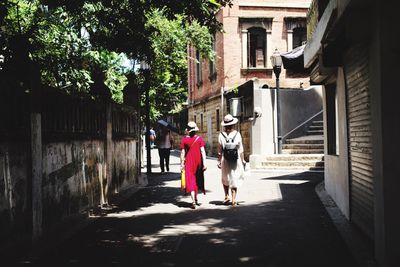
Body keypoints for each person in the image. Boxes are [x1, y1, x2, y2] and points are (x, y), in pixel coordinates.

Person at [217, 114, 246, 207]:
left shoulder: (221, 135)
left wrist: (219, 160)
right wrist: (243, 160)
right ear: (233, 124)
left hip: (225, 160)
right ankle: (234, 199)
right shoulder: (237, 134)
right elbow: (240, 149)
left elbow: (220, 150)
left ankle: (226, 196)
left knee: (225, 178)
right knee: (234, 178)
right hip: (235, 160)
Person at [180, 121, 207, 209]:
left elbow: (183, 152)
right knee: (196, 179)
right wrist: (205, 163)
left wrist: (181, 164)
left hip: (189, 162)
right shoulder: (199, 139)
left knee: (191, 180)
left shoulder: (184, 140)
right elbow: (203, 152)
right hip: (198, 162)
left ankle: (193, 201)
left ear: (188, 130)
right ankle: (195, 198)